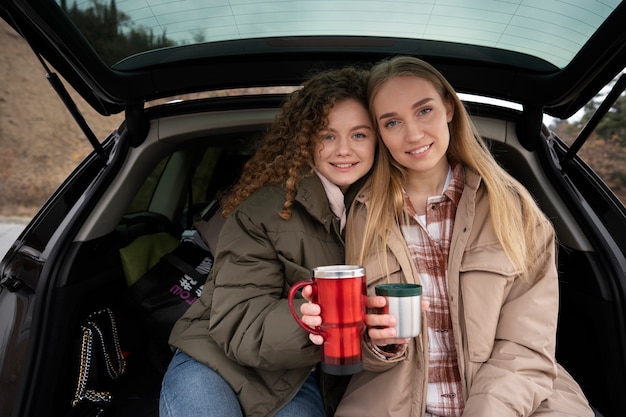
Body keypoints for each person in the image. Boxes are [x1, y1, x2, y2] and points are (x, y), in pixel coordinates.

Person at [300, 56, 593, 416]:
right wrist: (380, 346)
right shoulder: (356, 216)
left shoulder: (515, 211)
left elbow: (526, 350)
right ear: (379, 134)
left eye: (424, 111)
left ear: (450, 108)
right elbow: (346, 347)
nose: (413, 135)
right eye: (392, 122)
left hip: (516, 405)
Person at [159, 66, 377, 417]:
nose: (343, 150)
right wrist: (310, 322)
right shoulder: (262, 210)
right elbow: (238, 322)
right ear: (305, 140)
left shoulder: (382, 214)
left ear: (378, 139)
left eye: (359, 135)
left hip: (296, 380)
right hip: (212, 360)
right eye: (327, 135)